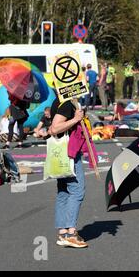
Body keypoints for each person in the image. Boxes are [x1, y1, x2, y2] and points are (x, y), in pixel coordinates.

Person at [49, 96, 88, 248]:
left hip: (61, 152)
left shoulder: (59, 100)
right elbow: (54, 128)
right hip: (69, 152)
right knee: (77, 191)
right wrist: (76, 119)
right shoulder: (66, 103)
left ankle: (63, 232)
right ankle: (71, 234)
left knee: (64, 192)